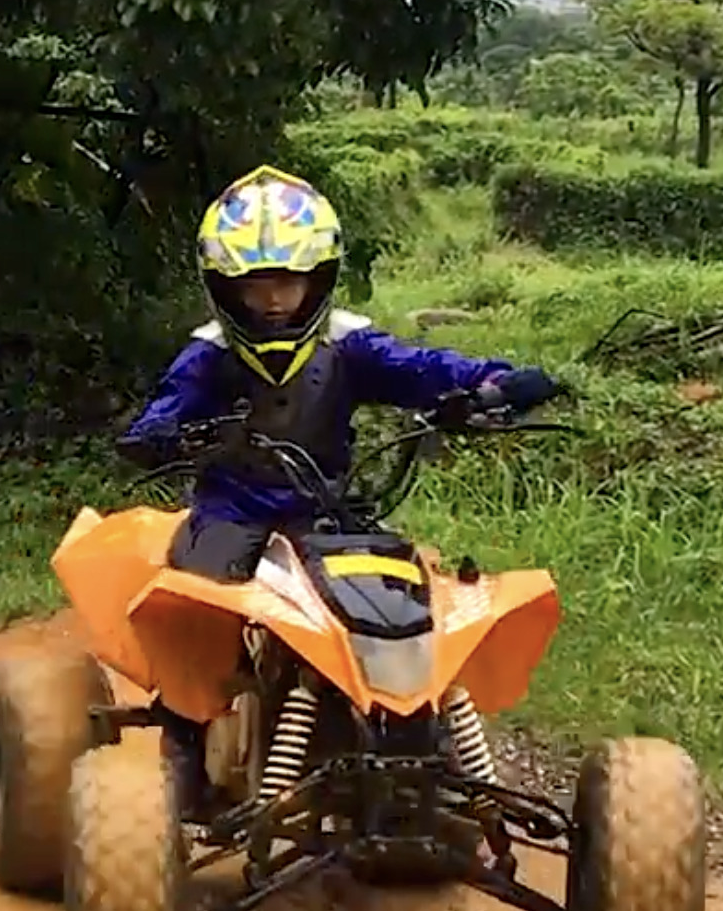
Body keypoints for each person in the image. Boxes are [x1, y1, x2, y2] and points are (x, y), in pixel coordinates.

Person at [119, 164, 565, 808]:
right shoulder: (210, 354)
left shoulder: (349, 346)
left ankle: (421, 738)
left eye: (291, 281)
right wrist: (159, 435)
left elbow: (425, 369)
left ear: (319, 278)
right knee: (196, 608)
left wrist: (494, 383)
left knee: (403, 605)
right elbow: (165, 407)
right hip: (234, 513)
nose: (275, 300)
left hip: (328, 513)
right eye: (257, 285)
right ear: (226, 288)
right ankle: (186, 742)